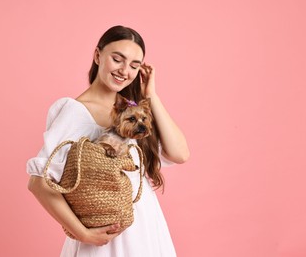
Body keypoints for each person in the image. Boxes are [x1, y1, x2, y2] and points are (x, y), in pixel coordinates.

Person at [27, 25, 190, 256]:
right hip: (103, 237)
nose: (125, 71)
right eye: (117, 59)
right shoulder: (75, 111)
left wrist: (150, 95)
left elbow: (180, 153)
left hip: (146, 229)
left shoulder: (133, 113)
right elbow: (38, 182)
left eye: (134, 65)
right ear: (97, 56)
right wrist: (83, 233)